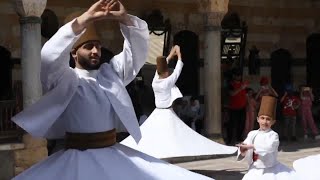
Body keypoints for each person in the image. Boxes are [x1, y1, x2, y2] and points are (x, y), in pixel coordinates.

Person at [12, 1, 212, 179]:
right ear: (73, 52)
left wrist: (125, 20)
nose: (95, 51)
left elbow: (134, 56)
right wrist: (84, 19)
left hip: (112, 152)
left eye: (97, 46)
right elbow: (49, 57)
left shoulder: (110, 75)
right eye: (88, 46)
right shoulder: (64, 79)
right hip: (75, 158)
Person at [121, 45, 237, 159]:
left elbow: (160, 69)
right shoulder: (168, 82)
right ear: (166, 73)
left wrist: (171, 55)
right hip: (166, 112)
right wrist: (179, 55)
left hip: (158, 111)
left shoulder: (155, 81)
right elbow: (177, 70)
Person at [236, 96, 299, 180]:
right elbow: (245, 147)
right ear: (258, 119)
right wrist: (243, 150)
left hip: (270, 170)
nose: (264, 122)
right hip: (254, 169)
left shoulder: (273, 135)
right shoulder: (252, 134)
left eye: (268, 119)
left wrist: (251, 146)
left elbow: (268, 148)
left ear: (273, 122)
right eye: (262, 118)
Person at [226, 69, 248, 144]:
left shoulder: (243, 84)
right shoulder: (230, 84)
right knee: (231, 124)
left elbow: (246, 95)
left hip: (242, 107)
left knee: (241, 124)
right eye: (237, 75)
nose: (239, 77)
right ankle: (229, 139)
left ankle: (239, 137)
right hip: (233, 108)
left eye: (240, 75)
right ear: (234, 76)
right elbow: (232, 93)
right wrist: (241, 88)